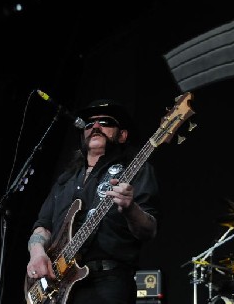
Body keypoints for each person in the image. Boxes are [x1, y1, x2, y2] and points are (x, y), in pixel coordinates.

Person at [24, 99, 160, 304]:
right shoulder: (65, 181)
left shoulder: (135, 171)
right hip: (57, 285)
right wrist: (37, 253)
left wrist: (130, 208)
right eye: (89, 124)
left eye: (105, 122)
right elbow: (43, 227)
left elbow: (148, 230)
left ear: (122, 135)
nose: (95, 127)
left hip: (108, 282)